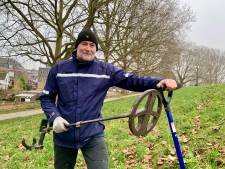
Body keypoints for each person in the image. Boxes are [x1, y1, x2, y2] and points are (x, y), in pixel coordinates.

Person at [40, 29, 177, 169]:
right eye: (84, 44)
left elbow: (133, 80)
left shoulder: (105, 71)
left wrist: (159, 82)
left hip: (93, 134)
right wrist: (54, 117)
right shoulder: (58, 69)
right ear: (77, 46)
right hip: (64, 136)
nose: (88, 48)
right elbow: (46, 98)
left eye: (92, 45)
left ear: (96, 49)